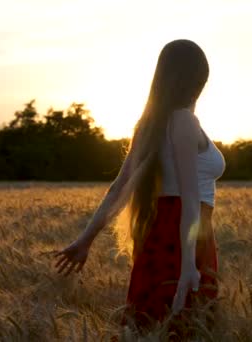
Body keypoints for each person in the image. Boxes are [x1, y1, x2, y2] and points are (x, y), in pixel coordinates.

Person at [53, 39, 226, 336]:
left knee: (148, 327)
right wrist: (187, 266)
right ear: (200, 77)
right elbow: (189, 200)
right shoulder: (184, 121)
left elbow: (118, 189)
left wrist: (85, 240)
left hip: (158, 237)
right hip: (186, 240)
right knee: (184, 330)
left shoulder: (150, 123)